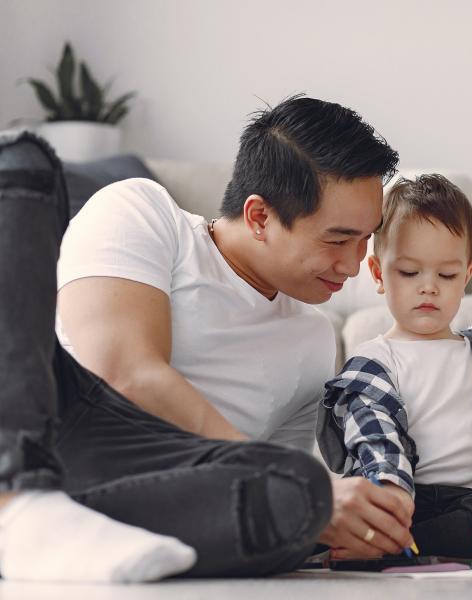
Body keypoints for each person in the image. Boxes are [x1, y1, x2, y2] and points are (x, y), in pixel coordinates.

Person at [0, 96, 413, 582]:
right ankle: (17, 500)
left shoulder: (313, 338)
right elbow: (124, 375)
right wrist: (309, 489)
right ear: (259, 216)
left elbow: (271, 483)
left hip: (168, 491)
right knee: (22, 160)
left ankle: (64, 536)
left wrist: (340, 520)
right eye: (337, 239)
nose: (352, 264)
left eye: (366, 240)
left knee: (301, 492)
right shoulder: (144, 212)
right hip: (66, 430)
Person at [318, 175, 472, 558]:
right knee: (378, 516)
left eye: (446, 275)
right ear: (379, 273)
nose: (429, 287)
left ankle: (393, 550)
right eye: (409, 272)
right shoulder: (375, 361)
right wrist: (393, 494)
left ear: (466, 276)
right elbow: (374, 437)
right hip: (405, 496)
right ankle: (389, 541)